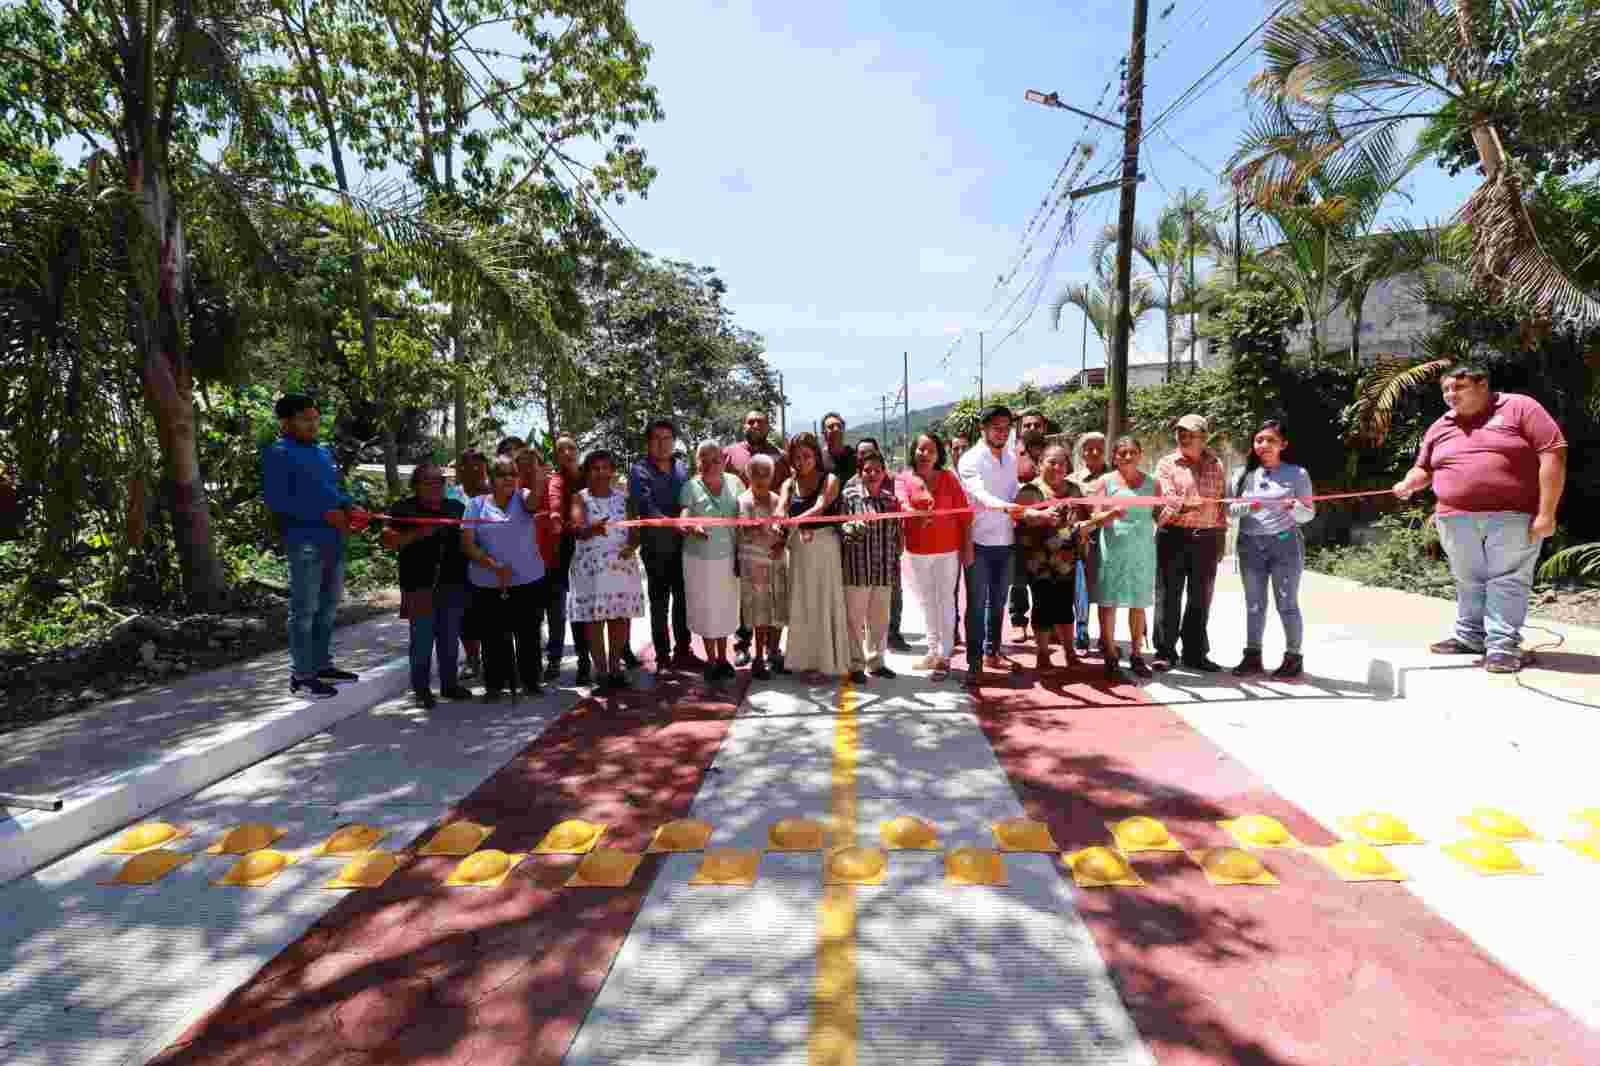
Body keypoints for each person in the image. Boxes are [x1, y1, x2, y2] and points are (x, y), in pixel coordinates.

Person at [1393, 365, 1567, 673]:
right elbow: (1424, 469)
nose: (1450, 395)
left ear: (1482, 384)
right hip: (1454, 518)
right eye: (1446, 390)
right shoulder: (1441, 425)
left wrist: (1546, 513)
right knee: (1468, 579)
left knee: (1507, 580)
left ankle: (1502, 647)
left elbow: (1553, 453)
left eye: (1458, 388)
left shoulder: (1520, 408)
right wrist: (1409, 483)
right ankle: (1470, 636)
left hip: (1512, 516)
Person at [262, 394, 359, 700]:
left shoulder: (322, 452)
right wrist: (321, 513)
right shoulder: (279, 453)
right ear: (286, 422)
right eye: (306, 419)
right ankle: (302, 676)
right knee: (304, 611)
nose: (313, 425)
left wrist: (349, 507)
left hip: (334, 540)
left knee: (328, 608)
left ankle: (321, 665)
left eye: (316, 419)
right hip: (305, 542)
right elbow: (278, 501)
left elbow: (333, 491)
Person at [1228, 420, 1315, 679]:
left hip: (1285, 545)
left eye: (1271, 440)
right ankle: (1253, 655)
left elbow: (1308, 514)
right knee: (1254, 604)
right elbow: (1229, 510)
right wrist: (1248, 507)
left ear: (1283, 445)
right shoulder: (1242, 474)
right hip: (1250, 545)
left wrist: (1293, 507)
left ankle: (1293, 657)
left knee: (1287, 603)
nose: (1264, 445)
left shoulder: (1298, 474)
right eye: (1259, 440)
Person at [383, 463, 470, 707]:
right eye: (428, 482)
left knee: (450, 639)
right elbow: (388, 540)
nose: (435, 486)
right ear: (416, 485)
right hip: (418, 585)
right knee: (421, 640)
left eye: (439, 481)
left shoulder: (456, 508)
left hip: (452, 584)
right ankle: (421, 690)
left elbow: (471, 537)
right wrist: (419, 533)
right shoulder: (403, 509)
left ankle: (449, 686)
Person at [461, 455, 547, 700]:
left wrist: (539, 478)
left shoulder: (524, 498)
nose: (508, 478)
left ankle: (531, 682)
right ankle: (495, 685)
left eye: (512, 474)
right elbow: (467, 544)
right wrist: (494, 566)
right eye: (502, 474)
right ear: (491, 478)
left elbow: (534, 502)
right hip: (487, 583)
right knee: (492, 636)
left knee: (528, 634)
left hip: (528, 580)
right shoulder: (475, 505)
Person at [1153, 413, 1228, 672]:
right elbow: (1167, 501)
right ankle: (1165, 651)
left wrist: (1221, 538)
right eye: (1179, 433)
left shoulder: (1217, 464)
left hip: (1207, 538)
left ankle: (1195, 653)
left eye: (1189, 434)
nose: (1182, 438)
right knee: (1168, 595)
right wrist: (1186, 507)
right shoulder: (1166, 463)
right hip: (1173, 536)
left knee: (1201, 598)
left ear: (1204, 437)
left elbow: (1221, 505)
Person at [957, 405, 1027, 684]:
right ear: (983, 429)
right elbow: (980, 495)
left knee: (998, 602)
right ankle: (974, 663)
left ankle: (992, 651)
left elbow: (1014, 490)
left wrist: (1030, 501)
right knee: (976, 604)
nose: (1002, 432)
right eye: (997, 427)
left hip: (1006, 541)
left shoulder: (1011, 458)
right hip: (978, 541)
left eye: (1006, 427)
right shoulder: (970, 460)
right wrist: (1009, 507)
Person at [896, 431, 972, 681]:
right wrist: (913, 512)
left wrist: (967, 547)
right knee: (927, 602)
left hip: (948, 550)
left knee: (946, 602)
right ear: (913, 452)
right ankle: (931, 651)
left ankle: (945, 655)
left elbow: (965, 514)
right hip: (918, 551)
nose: (924, 454)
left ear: (938, 454)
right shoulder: (904, 478)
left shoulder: (949, 478)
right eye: (920, 449)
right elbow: (901, 504)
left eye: (930, 450)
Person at [568, 449, 645, 690]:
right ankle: (601, 673)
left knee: (620, 618)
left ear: (613, 471)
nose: (601, 472)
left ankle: (616, 670)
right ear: (588, 472)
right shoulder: (580, 498)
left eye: (605, 468)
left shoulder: (625, 498)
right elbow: (577, 529)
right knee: (595, 620)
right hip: (592, 570)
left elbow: (635, 533)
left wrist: (631, 546)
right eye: (595, 468)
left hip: (621, 566)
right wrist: (593, 529)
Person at [780, 432, 854, 679]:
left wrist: (792, 522)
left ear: (816, 455)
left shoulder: (829, 479)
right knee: (802, 602)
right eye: (796, 456)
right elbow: (781, 508)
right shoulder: (789, 483)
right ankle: (805, 662)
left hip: (825, 548)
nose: (802, 461)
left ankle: (827, 663)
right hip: (799, 550)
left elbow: (820, 506)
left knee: (824, 602)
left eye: (807, 455)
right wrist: (777, 522)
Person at [1013, 444, 1089, 673]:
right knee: (1043, 607)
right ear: (1040, 464)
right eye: (1051, 462)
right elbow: (1019, 518)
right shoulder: (1029, 491)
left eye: (1062, 463)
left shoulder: (1075, 490)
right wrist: (1041, 518)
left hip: (1067, 559)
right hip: (1038, 560)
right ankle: (1043, 655)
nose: (1057, 467)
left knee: (1066, 607)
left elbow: (1085, 518)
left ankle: (1070, 653)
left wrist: (1088, 527)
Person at [724, 410, 789, 667]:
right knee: (747, 602)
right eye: (750, 421)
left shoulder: (779, 456)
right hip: (746, 543)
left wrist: (780, 538)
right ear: (744, 424)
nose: (755, 425)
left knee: (773, 600)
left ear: (768, 426)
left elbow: (786, 493)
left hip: (773, 544)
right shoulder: (730, 453)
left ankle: (772, 651)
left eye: (760, 421)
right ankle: (742, 646)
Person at [629, 419, 696, 671]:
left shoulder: (681, 468)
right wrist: (673, 523)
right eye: (656, 438)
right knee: (659, 605)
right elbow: (645, 507)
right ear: (648, 442)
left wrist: (686, 521)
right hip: (655, 548)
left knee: (683, 602)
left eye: (667, 438)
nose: (662, 443)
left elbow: (689, 501)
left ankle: (683, 651)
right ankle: (663, 657)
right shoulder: (639, 471)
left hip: (684, 547)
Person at [1090, 436, 1158, 679]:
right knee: (1109, 603)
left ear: (1140, 454)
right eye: (1122, 453)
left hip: (1143, 550)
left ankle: (1137, 654)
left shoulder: (1153, 483)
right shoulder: (1105, 482)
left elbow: (1161, 516)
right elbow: (1094, 519)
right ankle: (1109, 653)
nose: (1128, 457)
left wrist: (1182, 508)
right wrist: (1110, 513)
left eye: (1132, 452)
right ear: (1115, 457)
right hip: (1113, 549)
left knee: (1139, 604)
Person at [681, 440, 745, 682]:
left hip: (728, 557)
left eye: (715, 459)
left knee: (725, 609)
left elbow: (744, 515)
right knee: (705, 609)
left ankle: (723, 658)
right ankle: (711, 661)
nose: (709, 464)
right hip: (698, 560)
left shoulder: (735, 483)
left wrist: (742, 552)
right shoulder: (690, 486)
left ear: (723, 460)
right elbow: (684, 516)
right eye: (703, 460)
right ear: (697, 462)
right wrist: (691, 525)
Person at [840, 450, 904, 684]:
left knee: (879, 620)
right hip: (857, 569)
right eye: (868, 470)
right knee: (854, 621)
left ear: (884, 472)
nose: (873, 474)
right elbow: (840, 528)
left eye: (877, 470)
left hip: (883, 569)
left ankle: (876, 662)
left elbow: (896, 534)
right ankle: (855, 664)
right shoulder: (849, 497)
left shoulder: (890, 499)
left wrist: (895, 564)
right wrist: (851, 529)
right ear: (859, 473)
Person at [540, 436, 596, 684]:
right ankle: (564, 659)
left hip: (595, 544)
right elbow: (554, 502)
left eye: (570, 448)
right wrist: (554, 516)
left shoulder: (590, 474)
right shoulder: (556, 480)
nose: (566, 452)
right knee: (565, 608)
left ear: (578, 451)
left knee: (596, 604)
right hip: (565, 549)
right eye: (560, 449)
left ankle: (615, 654)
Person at [737, 454, 790, 680]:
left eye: (765, 474)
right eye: (756, 473)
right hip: (754, 564)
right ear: (748, 474)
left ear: (772, 476)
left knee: (778, 608)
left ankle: (774, 653)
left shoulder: (778, 499)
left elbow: (786, 529)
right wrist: (764, 530)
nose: (760, 478)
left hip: (776, 561)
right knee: (759, 613)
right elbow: (744, 532)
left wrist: (781, 542)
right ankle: (757, 659)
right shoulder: (743, 501)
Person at [1008, 408, 1052, 639]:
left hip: (1049, 528)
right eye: (1027, 425)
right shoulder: (1010, 455)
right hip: (1020, 526)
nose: (1032, 429)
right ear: (1020, 428)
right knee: (1018, 578)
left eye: (1036, 425)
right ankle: (1018, 621)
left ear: (1044, 427)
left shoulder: (1055, 453)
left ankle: (1045, 623)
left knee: (1046, 577)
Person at [450, 448, 489, 678]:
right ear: (460, 471)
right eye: (469, 466)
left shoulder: (495, 494)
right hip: (459, 563)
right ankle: (473, 659)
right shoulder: (452, 495)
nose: (475, 471)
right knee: (465, 617)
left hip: (489, 562)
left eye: (479, 466)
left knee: (490, 614)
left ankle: (494, 658)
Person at [1072, 432, 1109, 654]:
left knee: (1108, 591)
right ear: (1082, 452)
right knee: (1081, 590)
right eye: (1089, 448)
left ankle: (1106, 637)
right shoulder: (1073, 479)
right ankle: (1082, 634)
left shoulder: (1117, 476)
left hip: (1112, 542)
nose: (1094, 453)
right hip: (1084, 542)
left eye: (1099, 448)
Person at [820, 412, 856, 483]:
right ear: (824, 433)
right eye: (831, 427)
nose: (836, 429)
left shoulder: (855, 456)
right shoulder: (819, 458)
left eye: (839, 426)